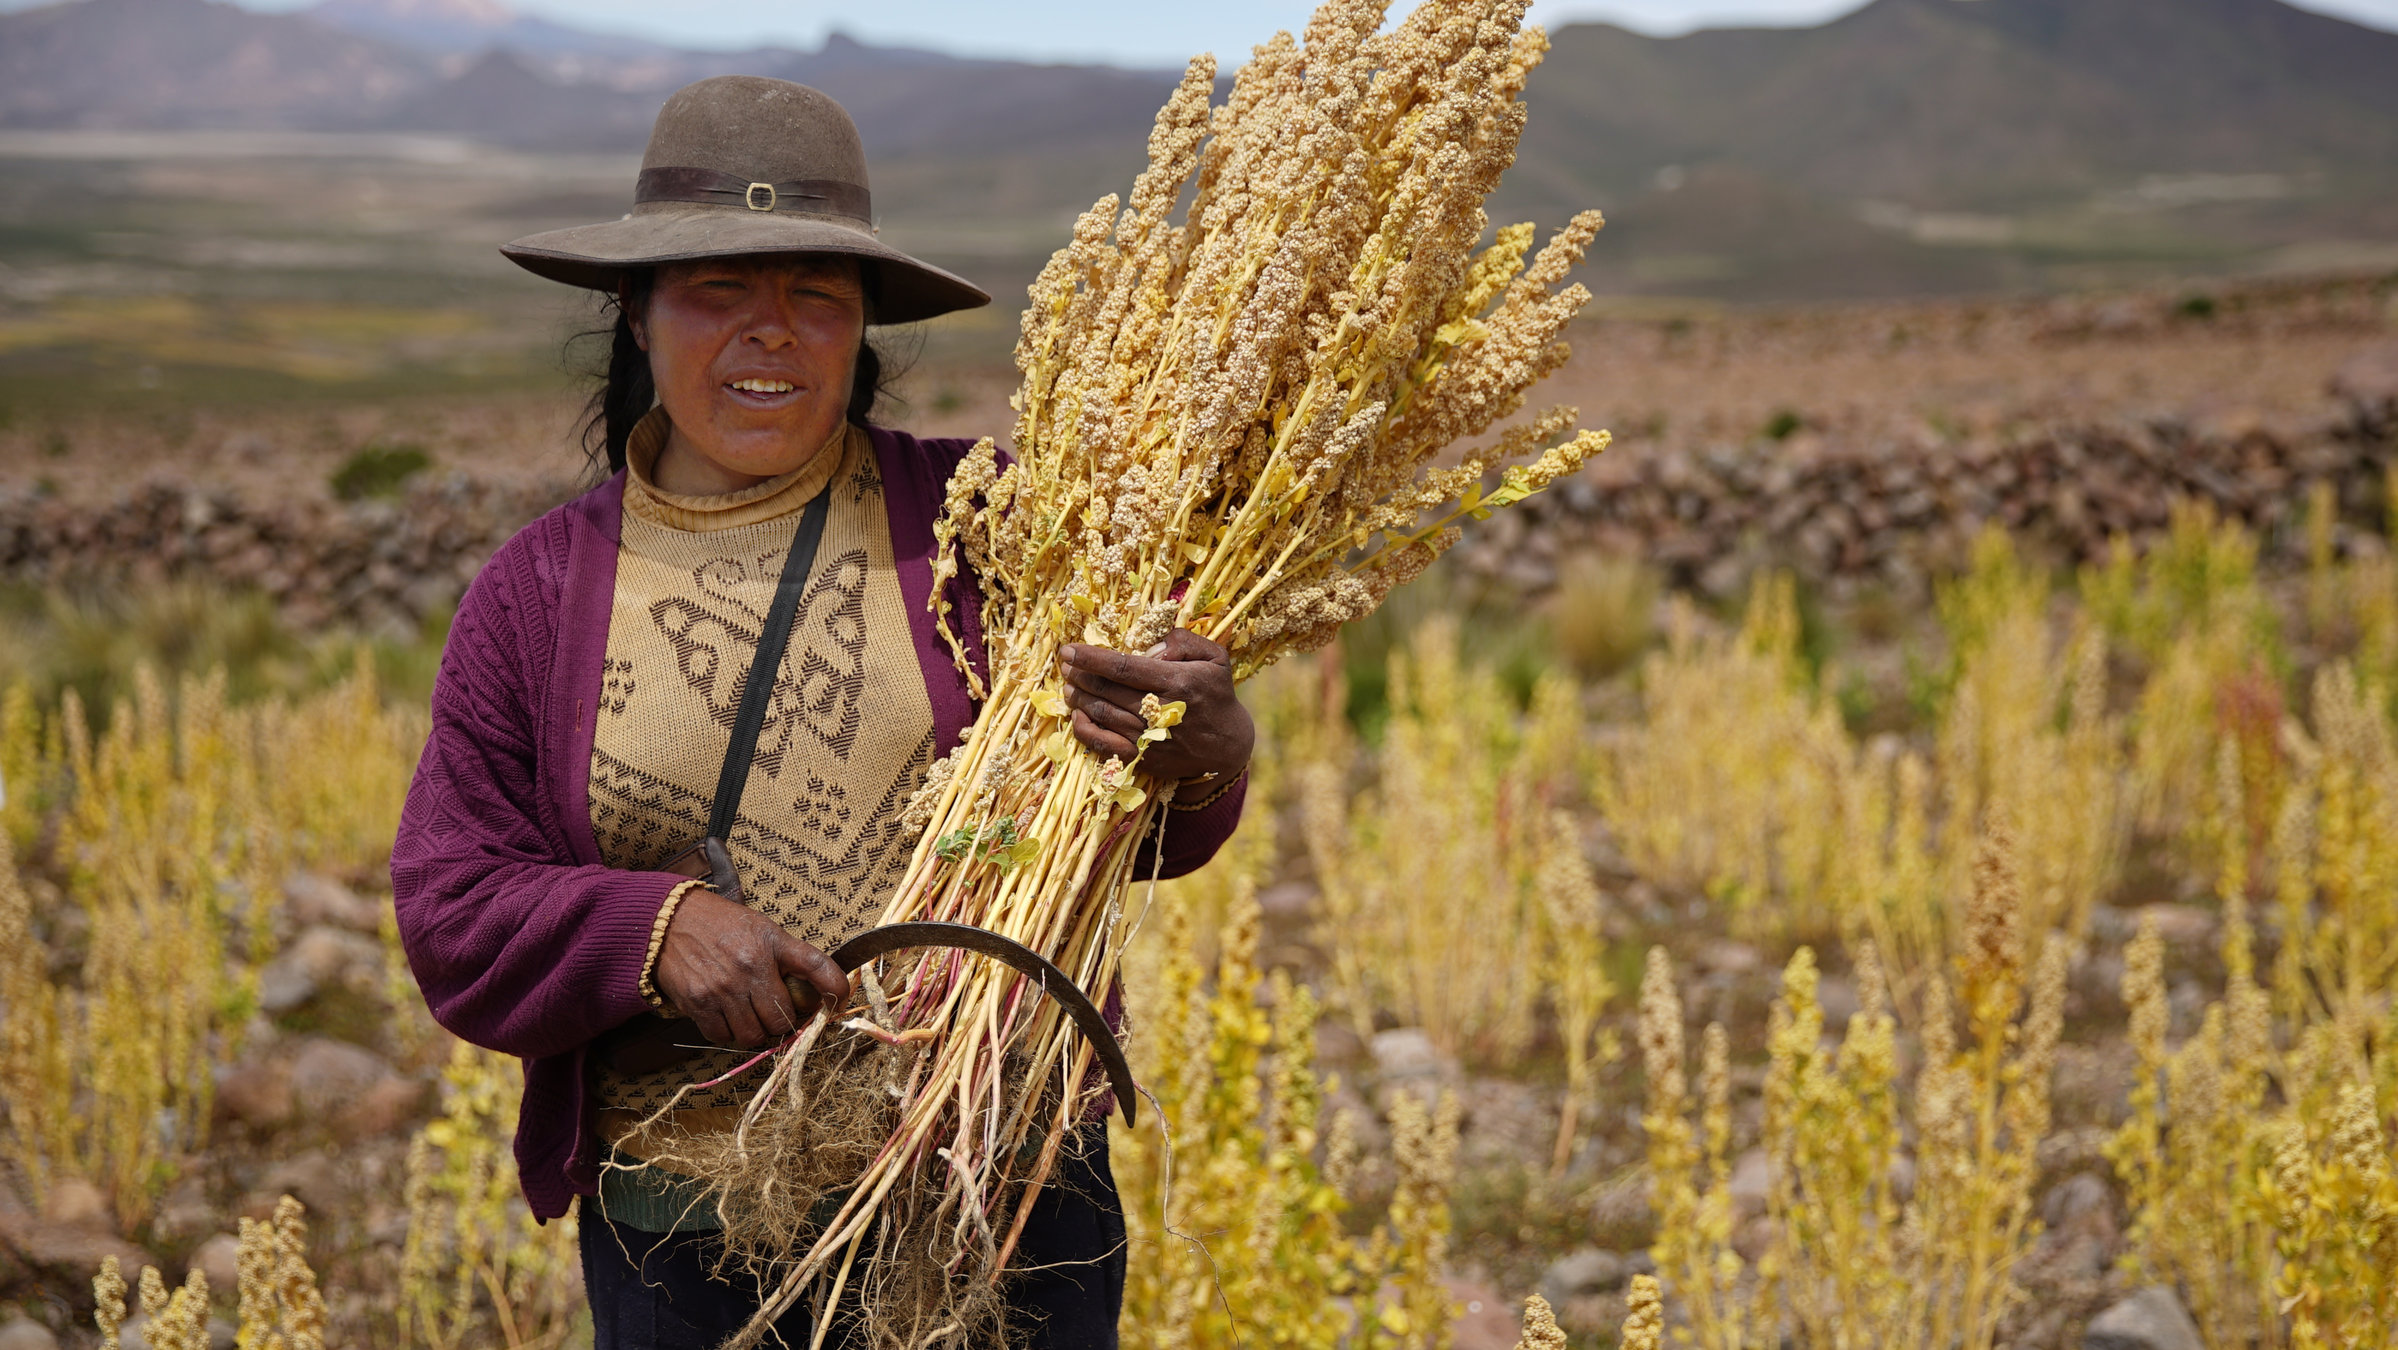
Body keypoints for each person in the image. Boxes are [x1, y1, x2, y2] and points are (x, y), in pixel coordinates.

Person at [389, 75, 1252, 1350]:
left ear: (864, 329)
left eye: (815, 296)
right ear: (635, 315)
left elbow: (1135, 827)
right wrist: (654, 926)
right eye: (717, 291)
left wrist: (1206, 756)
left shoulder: (997, 527)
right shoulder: (539, 594)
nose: (770, 333)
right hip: (692, 1235)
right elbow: (453, 906)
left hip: (1002, 1200)